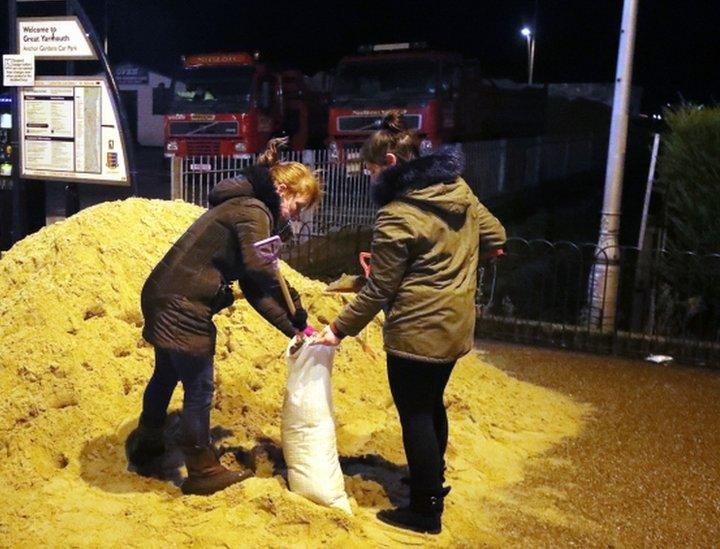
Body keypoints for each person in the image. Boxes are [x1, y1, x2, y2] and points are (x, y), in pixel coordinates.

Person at [314, 111, 506, 534]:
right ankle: (432, 480)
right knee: (432, 401)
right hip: (456, 324)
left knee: (415, 413)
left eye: (370, 168)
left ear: (391, 165)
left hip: (417, 329)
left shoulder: (396, 214)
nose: (366, 176)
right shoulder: (458, 189)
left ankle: (424, 511)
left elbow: (379, 289)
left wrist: (336, 330)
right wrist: (456, 257)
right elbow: (496, 238)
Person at [128, 138, 323, 496]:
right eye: (298, 206)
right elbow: (258, 266)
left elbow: (252, 286)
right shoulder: (254, 211)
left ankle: (147, 443)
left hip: (161, 292)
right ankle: (202, 470)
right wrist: (295, 307)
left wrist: (293, 327)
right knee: (199, 387)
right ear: (282, 189)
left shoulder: (243, 206)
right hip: (183, 303)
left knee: (166, 373)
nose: (296, 216)